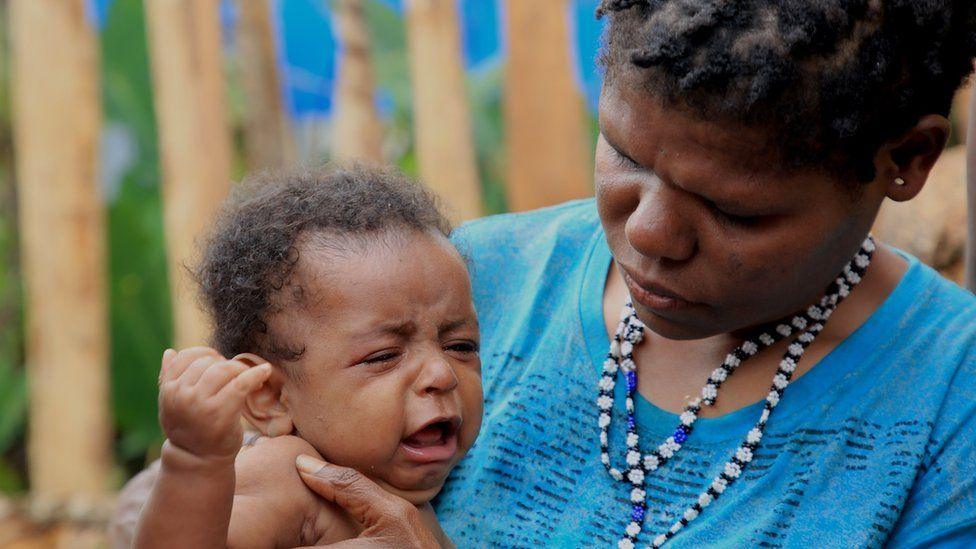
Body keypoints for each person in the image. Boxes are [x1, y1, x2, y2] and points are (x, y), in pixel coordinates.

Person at [115, 1, 976, 547]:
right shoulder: (459, 283)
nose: (646, 234)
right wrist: (181, 481)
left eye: (734, 209)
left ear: (904, 159)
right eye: (625, 154)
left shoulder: (948, 405)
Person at [128, 166, 482, 548]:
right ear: (270, 396)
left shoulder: (418, 504)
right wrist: (194, 459)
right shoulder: (290, 474)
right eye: (384, 356)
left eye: (460, 346)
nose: (442, 373)